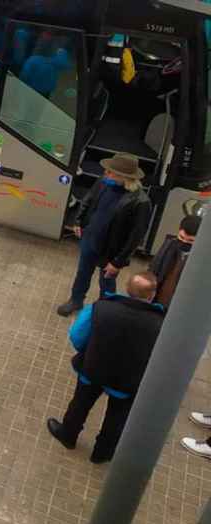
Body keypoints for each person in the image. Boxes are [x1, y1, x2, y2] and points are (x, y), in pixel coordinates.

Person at [47, 272, 165, 463]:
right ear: (151, 295)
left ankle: (68, 435)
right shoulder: (161, 324)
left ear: (127, 289)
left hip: (92, 369)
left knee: (80, 403)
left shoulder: (100, 307)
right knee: (117, 417)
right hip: (128, 381)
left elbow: (77, 336)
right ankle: (102, 453)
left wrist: (90, 352)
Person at [57, 153, 151, 316]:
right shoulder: (103, 182)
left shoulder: (141, 202)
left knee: (106, 282)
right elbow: (88, 200)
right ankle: (76, 300)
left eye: (110, 172)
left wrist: (118, 262)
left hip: (111, 252)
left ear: (124, 177)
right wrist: (79, 222)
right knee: (83, 273)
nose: (105, 174)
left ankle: (104, 311)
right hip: (90, 240)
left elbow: (135, 237)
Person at [149, 215, 201, 309]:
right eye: (181, 237)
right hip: (157, 301)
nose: (184, 242)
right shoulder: (169, 244)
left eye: (190, 240)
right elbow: (154, 268)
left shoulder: (201, 259)